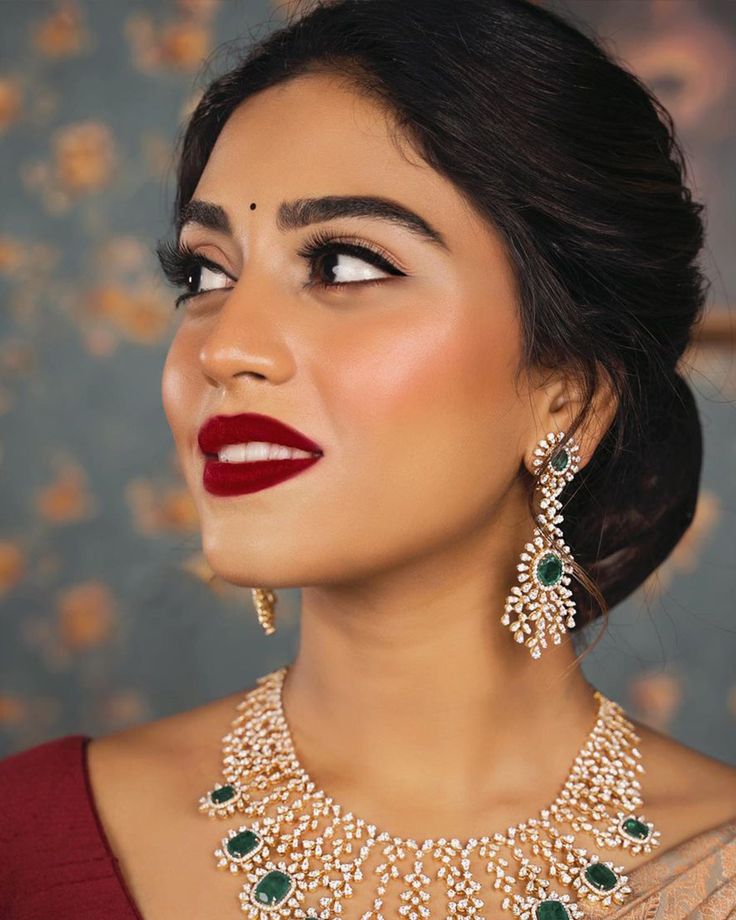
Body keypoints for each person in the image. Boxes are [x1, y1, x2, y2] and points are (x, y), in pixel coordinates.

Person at [1, 0, 735, 917]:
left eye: (343, 264)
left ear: (567, 394)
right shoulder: (27, 845)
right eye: (205, 273)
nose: (225, 348)